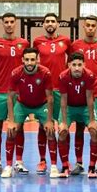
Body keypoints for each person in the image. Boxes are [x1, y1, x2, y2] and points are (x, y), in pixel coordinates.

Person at [0, 13, 30, 174]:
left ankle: (19, 161)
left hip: (19, 93)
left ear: (15, 23)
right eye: (6, 22)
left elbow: (29, 65)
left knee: (18, 127)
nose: (9, 25)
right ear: (2, 23)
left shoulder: (24, 43)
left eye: (12, 22)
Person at [2, 48, 55, 178]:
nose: (30, 62)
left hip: (41, 105)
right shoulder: (16, 73)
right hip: (22, 105)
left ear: (38, 59)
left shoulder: (45, 73)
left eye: (33, 59)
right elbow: (10, 97)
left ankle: (53, 166)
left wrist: (49, 120)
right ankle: (9, 165)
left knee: (50, 130)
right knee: (12, 130)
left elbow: (50, 98)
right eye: (27, 60)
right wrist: (11, 121)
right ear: (22, 60)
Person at [70, 15, 97, 175]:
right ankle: (79, 163)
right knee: (79, 128)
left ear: (96, 28)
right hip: (78, 93)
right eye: (87, 25)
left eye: (93, 25)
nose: (90, 28)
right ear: (83, 27)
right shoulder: (75, 45)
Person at [33, 13, 71, 174]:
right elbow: (31, 62)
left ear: (58, 24)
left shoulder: (66, 41)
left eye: (53, 21)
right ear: (43, 24)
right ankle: (42, 160)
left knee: (63, 127)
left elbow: (73, 61)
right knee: (44, 126)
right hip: (44, 89)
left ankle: (65, 161)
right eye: (47, 21)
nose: (50, 24)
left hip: (61, 90)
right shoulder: (37, 42)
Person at [57, 52, 97, 178]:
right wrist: (64, 122)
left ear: (84, 65)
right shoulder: (63, 76)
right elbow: (63, 100)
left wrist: (92, 120)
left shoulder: (89, 75)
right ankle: (65, 166)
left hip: (85, 107)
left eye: (79, 65)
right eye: (74, 65)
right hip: (69, 107)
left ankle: (91, 167)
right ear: (69, 65)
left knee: (94, 131)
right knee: (62, 132)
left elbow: (89, 98)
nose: (76, 68)